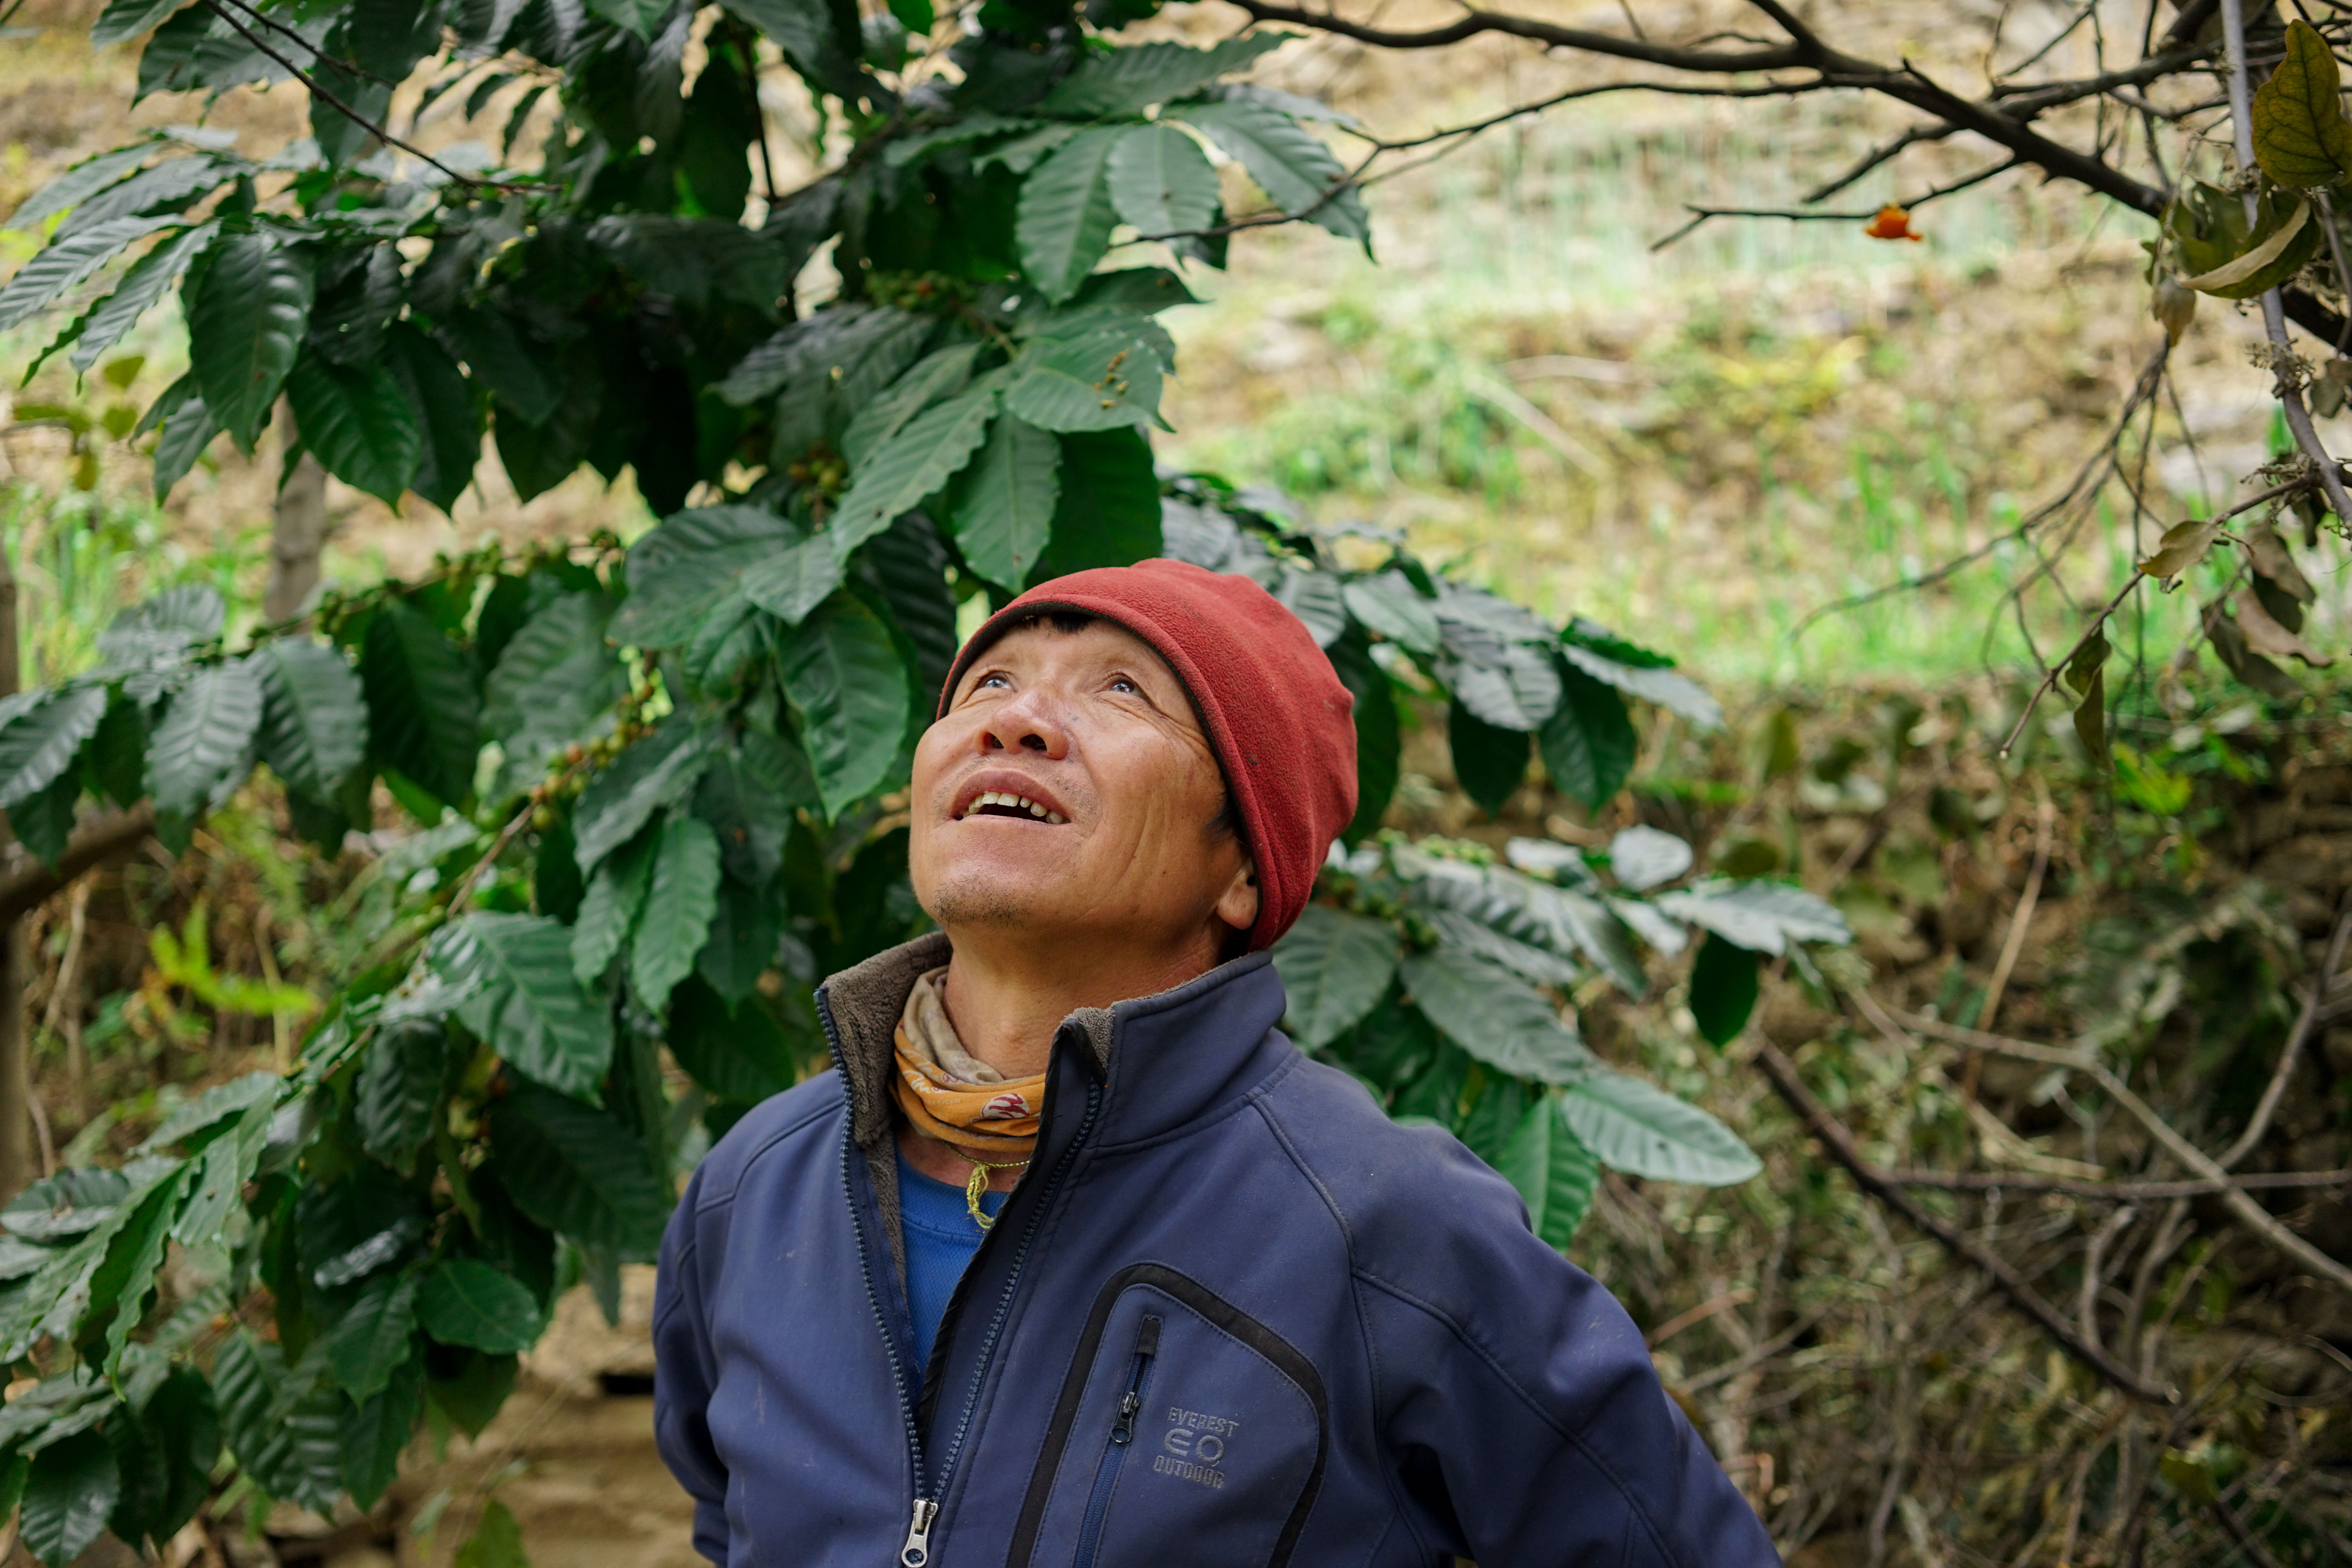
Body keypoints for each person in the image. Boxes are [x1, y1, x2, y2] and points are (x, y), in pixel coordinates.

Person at [652, 558, 1779, 1567]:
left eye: (1122, 690)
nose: (1018, 722)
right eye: (988, 683)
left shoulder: (1387, 1229)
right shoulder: (755, 1188)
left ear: (1243, 868)